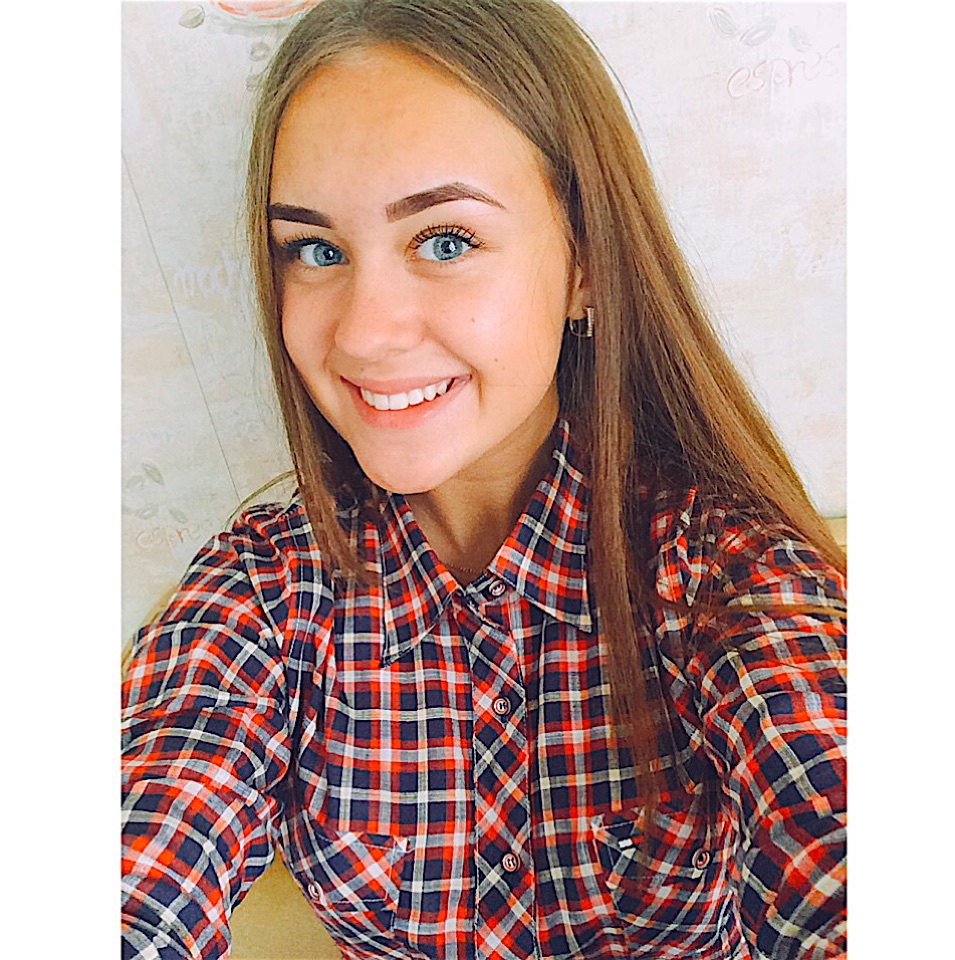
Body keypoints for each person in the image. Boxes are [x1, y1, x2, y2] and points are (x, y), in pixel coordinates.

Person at [121, 1, 847, 958]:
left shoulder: (726, 578)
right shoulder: (264, 598)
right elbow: (146, 852)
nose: (363, 333)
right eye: (317, 250)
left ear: (585, 264)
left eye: (446, 241)